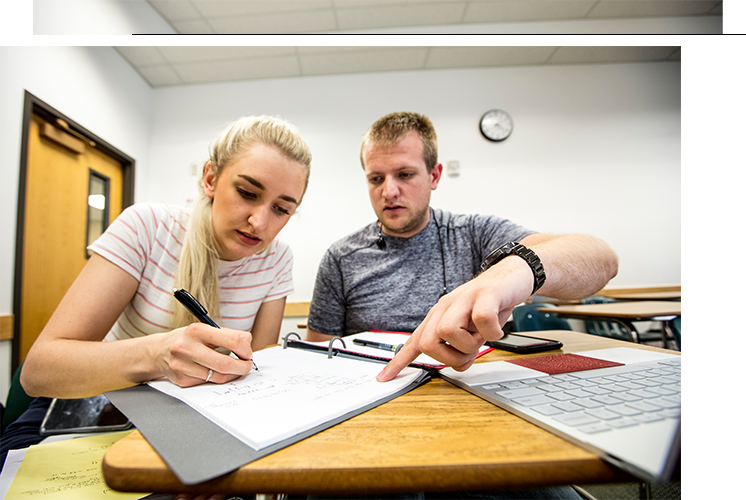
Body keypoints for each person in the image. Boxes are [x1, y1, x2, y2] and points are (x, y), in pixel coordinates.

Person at [2, 116, 311, 476]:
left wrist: (222, 456)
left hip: (194, 417)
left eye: (282, 208)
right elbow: (39, 370)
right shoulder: (148, 227)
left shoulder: (276, 259)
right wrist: (156, 355)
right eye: (247, 193)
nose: (260, 222)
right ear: (210, 179)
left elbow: (253, 375)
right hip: (96, 403)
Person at [305, 111, 619, 383]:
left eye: (405, 175)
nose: (389, 191)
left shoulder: (474, 233)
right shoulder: (341, 258)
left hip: (473, 389)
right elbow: (320, 356)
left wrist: (516, 268)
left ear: (434, 175)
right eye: (376, 178)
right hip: (376, 393)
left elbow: (602, 260)